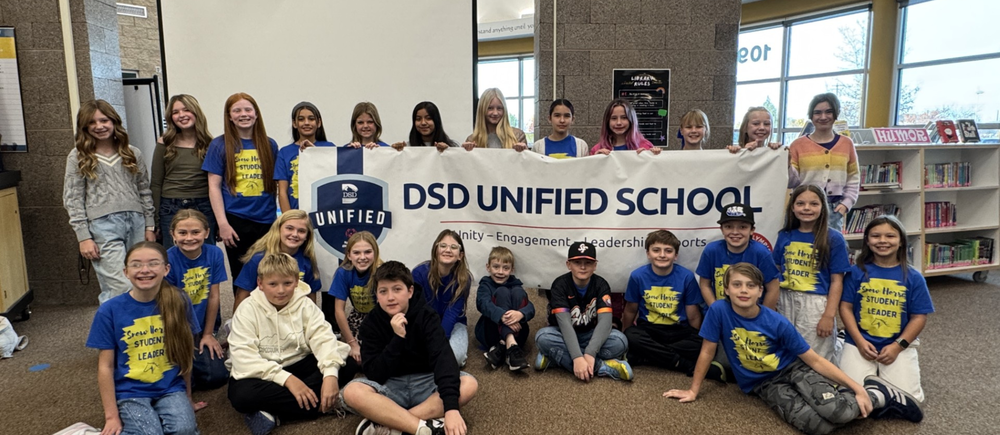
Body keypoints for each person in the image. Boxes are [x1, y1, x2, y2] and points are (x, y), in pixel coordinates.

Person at [664, 263, 924, 434]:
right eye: (737, 285)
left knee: (838, 412)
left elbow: (814, 360)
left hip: (793, 369)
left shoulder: (776, 321)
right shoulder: (719, 311)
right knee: (819, 427)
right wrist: (693, 389)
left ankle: (876, 393)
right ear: (727, 289)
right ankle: (853, 399)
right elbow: (707, 350)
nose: (743, 290)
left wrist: (856, 388)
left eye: (750, 286)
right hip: (764, 384)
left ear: (760, 292)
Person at [341, 261, 478, 435]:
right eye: (383, 291)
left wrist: (451, 409)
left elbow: (443, 359)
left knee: (468, 384)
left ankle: (392, 425)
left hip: (427, 383)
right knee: (352, 392)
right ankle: (423, 429)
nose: (390, 297)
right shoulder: (371, 323)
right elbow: (375, 373)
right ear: (377, 294)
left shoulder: (427, 316)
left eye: (397, 289)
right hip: (390, 385)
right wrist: (398, 339)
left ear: (410, 291)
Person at [227, 253, 351, 435]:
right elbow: (244, 358)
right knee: (240, 396)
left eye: (287, 283)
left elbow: (323, 338)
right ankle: (324, 405)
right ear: (260, 284)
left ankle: (275, 413)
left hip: (298, 361)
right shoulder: (247, 310)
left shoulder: (305, 305)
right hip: (264, 370)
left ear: (296, 282)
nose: (281, 291)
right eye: (272, 284)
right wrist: (287, 380)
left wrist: (330, 375)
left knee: (347, 363)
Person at [86, 241, 199, 435]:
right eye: (136, 264)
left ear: (166, 269)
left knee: (185, 430)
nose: (144, 270)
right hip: (131, 390)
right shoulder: (109, 310)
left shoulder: (179, 301)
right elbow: (105, 366)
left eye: (153, 263)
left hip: (170, 387)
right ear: (125, 272)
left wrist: (187, 398)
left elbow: (185, 354)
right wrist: (111, 416)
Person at [64, 100, 156, 304]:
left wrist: (149, 225)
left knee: (141, 278)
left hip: (136, 223)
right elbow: (72, 198)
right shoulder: (78, 156)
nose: (99, 126)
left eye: (104, 120)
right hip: (102, 227)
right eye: (92, 122)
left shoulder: (132, 152)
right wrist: (83, 237)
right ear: (85, 127)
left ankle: (139, 329)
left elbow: (144, 191)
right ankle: (116, 331)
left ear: (114, 121)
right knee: (120, 285)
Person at [840, 216, 933, 403]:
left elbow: (919, 317)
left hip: (898, 343)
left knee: (910, 400)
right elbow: (845, 307)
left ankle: (881, 378)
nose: (882, 241)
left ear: (901, 242)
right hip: (860, 341)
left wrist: (898, 346)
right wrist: (858, 341)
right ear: (867, 240)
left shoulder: (914, 277)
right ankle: (841, 344)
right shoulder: (856, 272)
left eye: (890, 236)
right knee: (848, 396)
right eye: (876, 236)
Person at [621, 230, 720, 379]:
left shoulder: (686, 276)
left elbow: (693, 315)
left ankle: (647, 356)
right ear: (648, 253)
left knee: (700, 343)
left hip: (678, 331)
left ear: (675, 255)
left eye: (668, 251)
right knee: (631, 336)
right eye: (656, 250)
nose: (662, 255)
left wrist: (695, 335)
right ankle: (682, 363)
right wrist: (625, 338)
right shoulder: (637, 276)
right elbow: (630, 310)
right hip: (649, 330)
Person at [202, 92, 279, 283]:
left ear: (256, 114)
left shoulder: (270, 145)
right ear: (229, 116)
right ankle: (242, 313)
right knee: (241, 276)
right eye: (236, 110)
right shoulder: (219, 145)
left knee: (268, 273)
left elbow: (279, 182)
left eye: (248, 109)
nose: (243, 114)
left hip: (267, 220)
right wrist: (223, 224)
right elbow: (214, 186)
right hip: (235, 221)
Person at [534, 241, 633, 382]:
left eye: (587, 263)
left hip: (590, 334)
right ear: (569, 265)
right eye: (577, 262)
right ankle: (602, 367)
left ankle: (556, 357)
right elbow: (565, 325)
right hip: (562, 334)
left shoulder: (601, 284)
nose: (582, 267)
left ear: (595, 265)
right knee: (542, 337)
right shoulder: (560, 284)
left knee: (620, 341)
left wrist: (590, 353)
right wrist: (577, 357)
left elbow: (605, 323)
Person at [773, 185, 851, 363]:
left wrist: (829, 315)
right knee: (787, 348)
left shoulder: (834, 238)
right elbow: (776, 271)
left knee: (816, 353)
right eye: (800, 203)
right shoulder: (785, 235)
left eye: (813, 203)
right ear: (792, 207)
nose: (806, 208)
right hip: (785, 299)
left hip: (815, 303)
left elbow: (837, 281)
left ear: (823, 207)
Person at [165, 209, 229, 391]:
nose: (189, 238)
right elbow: (169, 307)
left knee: (217, 377)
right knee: (173, 379)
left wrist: (208, 334)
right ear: (173, 235)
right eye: (182, 233)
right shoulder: (167, 259)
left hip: (200, 328)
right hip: (177, 329)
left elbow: (214, 295)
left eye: (195, 232)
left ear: (206, 233)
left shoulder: (214, 254)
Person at [150, 94, 217, 247]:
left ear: (196, 112)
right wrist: (155, 220)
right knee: (173, 259)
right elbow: (155, 183)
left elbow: (217, 184)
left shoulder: (211, 144)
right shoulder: (164, 143)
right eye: (175, 112)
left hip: (204, 205)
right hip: (170, 206)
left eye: (186, 110)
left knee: (206, 256)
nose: (181, 115)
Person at [787, 93, 861, 232]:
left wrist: (846, 203)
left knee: (830, 249)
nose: (823, 117)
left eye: (828, 112)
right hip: (803, 208)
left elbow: (853, 177)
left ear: (835, 114)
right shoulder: (797, 145)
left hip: (834, 208)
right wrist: (786, 166)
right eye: (817, 113)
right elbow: (792, 182)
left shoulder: (846, 144)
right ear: (811, 116)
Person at [233, 210, 322, 312]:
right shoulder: (258, 259)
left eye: (301, 231)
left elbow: (310, 296)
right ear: (278, 229)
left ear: (307, 236)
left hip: (294, 316)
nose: (295, 234)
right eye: (289, 228)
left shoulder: (307, 261)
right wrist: (236, 324)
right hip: (261, 314)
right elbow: (242, 295)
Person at [696, 202, 781, 309]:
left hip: (751, 315)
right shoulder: (711, 250)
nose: (735, 232)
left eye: (742, 227)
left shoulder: (761, 253)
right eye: (728, 227)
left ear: (752, 230)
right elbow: (705, 285)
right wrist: (716, 311)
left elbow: (773, 288)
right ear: (721, 229)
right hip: (720, 313)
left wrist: (762, 319)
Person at [412, 230, 474, 367]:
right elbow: (417, 310)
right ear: (435, 250)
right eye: (443, 246)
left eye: (453, 247)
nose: (448, 250)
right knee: (413, 354)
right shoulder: (418, 273)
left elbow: (452, 313)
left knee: (455, 358)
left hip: (454, 325)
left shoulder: (464, 279)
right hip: (424, 324)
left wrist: (440, 341)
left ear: (460, 255)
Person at [328, 231, 383, 370]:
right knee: (351, 358)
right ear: (349, 255)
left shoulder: (382, 272)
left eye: (368, 252)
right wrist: (352, 343)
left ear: (375, 253)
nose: (362, 257)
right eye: (357, 253)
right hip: (358, 316)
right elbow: (339, 311)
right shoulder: (343, 272)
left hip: (381, 317)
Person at [476, 246, 534, 371]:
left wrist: (520, 314)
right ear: (488, 267)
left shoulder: (517, 285)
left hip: (518, 332)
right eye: (496, 267)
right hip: (491, 332)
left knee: (518, 292)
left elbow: (531, 308)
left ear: (512, 270)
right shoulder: (485, 285)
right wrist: (502, 315)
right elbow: (483, 304)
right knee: (502, 291)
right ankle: (511, 347)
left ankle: (503, 347)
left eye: (505, 268)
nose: (500, 272)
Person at [275, 102, 335, 212]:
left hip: (324, 213)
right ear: (294, 123)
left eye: (311, 119)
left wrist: (314, 152)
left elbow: (335, 181)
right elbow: (282, 191)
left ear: (319, 122)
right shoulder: (284, 152)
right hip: (296, 213)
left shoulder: (329, 148)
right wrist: (289, 218)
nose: (306, 123)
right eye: (301, 119)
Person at [462, 88, 527, 151]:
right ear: (482, 110)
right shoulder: (472, 139)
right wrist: (463, 152)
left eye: (499, 108)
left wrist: (524, 151)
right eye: (490, 108)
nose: (495, 113)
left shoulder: (517, 136)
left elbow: (527, 161)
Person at [590, 99, 660, 155]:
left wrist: (655, 155)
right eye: (614, 118)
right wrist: (596, 161)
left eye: (624, 118)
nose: (619, 123)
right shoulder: (597, 150)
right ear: (607, 121)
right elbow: (590, 172)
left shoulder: (645, 146)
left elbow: (655, 170)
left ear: (631, 120)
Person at [391, 102, 459, 152]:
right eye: (418, 119)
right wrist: (394, 151)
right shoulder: (407, 148)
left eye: (428, 118)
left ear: (436, 121)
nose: (423, 123)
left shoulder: (452, 147)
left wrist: (448, 152)